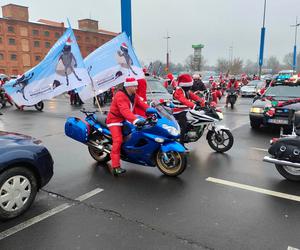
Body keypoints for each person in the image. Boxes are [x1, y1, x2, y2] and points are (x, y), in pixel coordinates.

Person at [106, 77, 149, 175]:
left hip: (125, 120)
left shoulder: (133, 95)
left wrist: (152, 111)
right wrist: (135, 120)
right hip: (115, 120)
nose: (136, 88)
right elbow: (124, 110)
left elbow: (142, 104)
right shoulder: (120, 95)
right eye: (135, 86)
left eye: (136, 86)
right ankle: (116, 167)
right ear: (128, 86)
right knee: (118, 140)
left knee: (135, 134)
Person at [172, 74, 205, 144]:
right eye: (188, 86)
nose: (190, 87)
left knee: (194, 119)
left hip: (186, 110)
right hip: (178, 112)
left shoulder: (187, 91)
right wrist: (194, 106)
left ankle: (189, 133)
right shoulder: (178, 91)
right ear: (184, 85)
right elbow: (183, 100)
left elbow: (194, 96)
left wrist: (203, 101)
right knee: (183, 126)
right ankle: (181, 143)